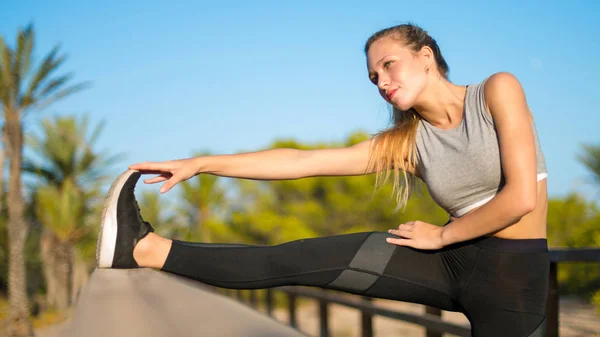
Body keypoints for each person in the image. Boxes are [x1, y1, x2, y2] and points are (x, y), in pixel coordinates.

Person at [96, 23, 549, 337]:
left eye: (389, 65)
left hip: (513, 281)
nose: (381, 82)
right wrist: (201, 163)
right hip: (447, 259)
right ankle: (144, 249)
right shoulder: (407, 143)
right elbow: (302, 161)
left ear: (425, 56)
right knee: (288, 261)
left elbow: (522, 197)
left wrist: (444, 234)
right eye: (373, 76)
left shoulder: (496, 91)